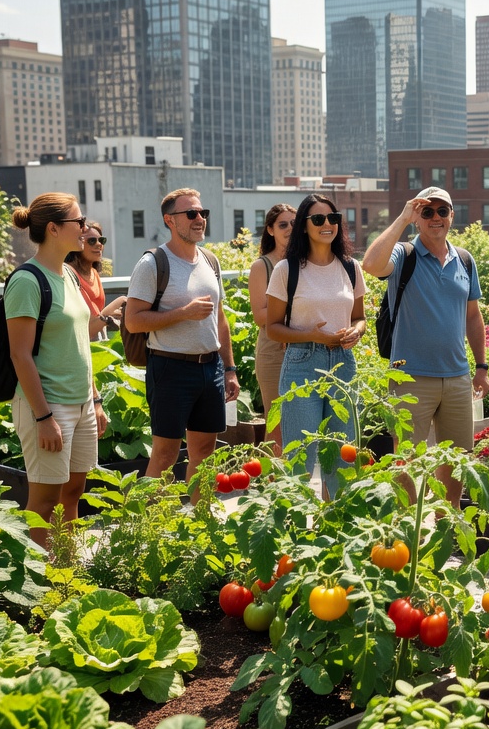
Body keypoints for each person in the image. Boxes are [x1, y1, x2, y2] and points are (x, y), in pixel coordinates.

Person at [361, 187, 489, 508]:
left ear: (451, 217)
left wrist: (482, 367)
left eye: (442, 211)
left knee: (457, 460)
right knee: (406, 459)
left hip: (457, 378)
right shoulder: (403, 255)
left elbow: (473, 317)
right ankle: (407, 529)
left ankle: (449, 525)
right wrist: (403, 218)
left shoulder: (465, 260)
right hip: (410, 378)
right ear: (418, 218)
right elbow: (371, 265)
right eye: (427, 212)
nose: (435, 218)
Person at [5, 193, 107, 548]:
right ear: (53, 229)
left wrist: (95, 399)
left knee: (73, 492)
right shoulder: (27, 281)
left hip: (81, 404)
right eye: (78, 222)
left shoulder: (68, 273)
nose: (85, 228)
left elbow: (80, 341)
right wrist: (43, 416)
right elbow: (20, 355)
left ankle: (66, 566)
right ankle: (39, 582)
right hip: (49, 407)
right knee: (45, 502)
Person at [123, 188, 240, 486]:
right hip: (170, 367)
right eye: (191, 214)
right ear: (170, 221)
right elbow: (134, 321)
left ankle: (200, 520)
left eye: (202, 213)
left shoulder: (210, 260)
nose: (199, 219)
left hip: (210, 367)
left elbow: (220, 319)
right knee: (164, 455)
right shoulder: (153, 263)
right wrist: (183, 313)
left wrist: (229, 369)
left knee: (205, 452)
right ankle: (148, 526)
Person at [266, 194, 366, 499]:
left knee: (343, 458)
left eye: (333, 219)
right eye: (318, 219)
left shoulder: (350, 267)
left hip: (344, 365)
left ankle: (339, 535)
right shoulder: (287, 270)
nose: (327, 225)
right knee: (300, 459)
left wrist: (356, 332)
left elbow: (361, 318)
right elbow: (272, 328)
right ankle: (295, 538)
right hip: (302, 364)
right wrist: (311, 334)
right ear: (304, 226)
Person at [249, 203, 296, 455]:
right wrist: (300, 311)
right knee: (276, 421)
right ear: (270, 230)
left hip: (304, 348)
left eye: (293, 223)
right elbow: (260, 316)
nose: (289, 228)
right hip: (273, 352)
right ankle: (272, 482)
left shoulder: (305, 263)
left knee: (301, 421)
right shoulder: (262, 266)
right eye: (282, 224)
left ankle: (295, 481)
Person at [64, 222, 126, 341]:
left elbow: (97, 315)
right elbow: (86, 328)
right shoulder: (69, 274)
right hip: (79, 344)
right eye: (92, 241)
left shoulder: (94, 273)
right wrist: (110, 313)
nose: (99, 245)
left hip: (97, 342)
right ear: (77, 243)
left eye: (101, 240)